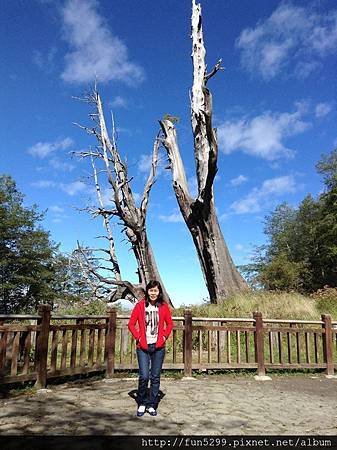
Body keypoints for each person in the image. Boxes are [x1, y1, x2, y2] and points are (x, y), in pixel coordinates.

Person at [128, 280, 173, 417]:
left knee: (155, 377)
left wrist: (164, 337)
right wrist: (138, 337)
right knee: (144, 376)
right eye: (151, 290)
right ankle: (141, 402)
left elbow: (169, 324)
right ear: (147, 291)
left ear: (159, 292)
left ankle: (152, 404)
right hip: (143, 346)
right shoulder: (140, 305)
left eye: (156, 291)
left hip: (158, 347)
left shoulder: (163, 306)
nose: (153, 293)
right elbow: (131, 324)